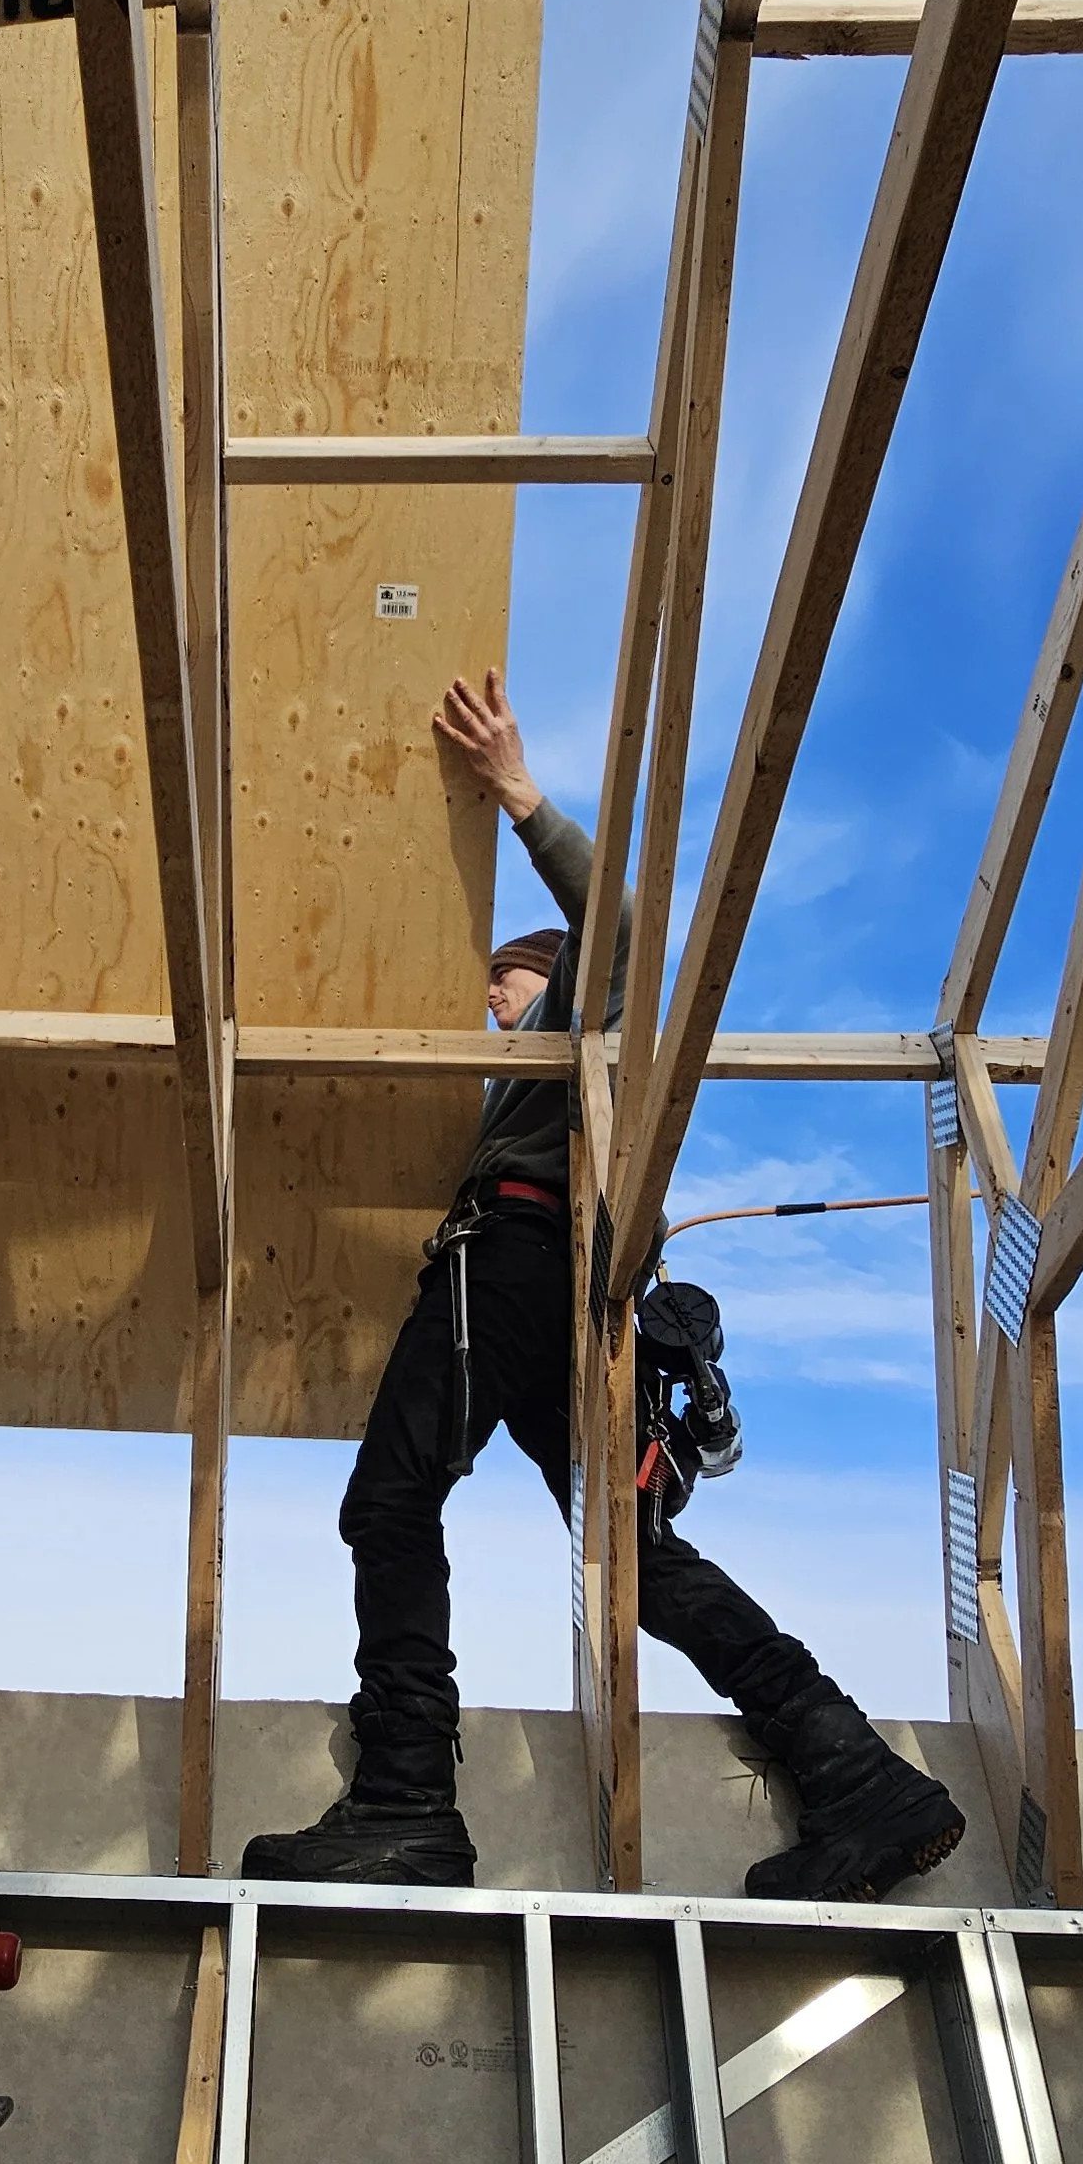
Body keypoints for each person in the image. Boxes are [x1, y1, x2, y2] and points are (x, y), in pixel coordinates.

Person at [242, 671, 965, 1903]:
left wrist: (519, 797)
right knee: (633, 1554)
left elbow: (619, 933)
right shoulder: (529, 1099)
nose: (486, 1007)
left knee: (388, 1502)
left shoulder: (575, 1025)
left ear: (552, 982)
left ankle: (406, 1798)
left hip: (512, 1260)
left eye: (502, 988)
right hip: (566, 1299)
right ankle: (857, 1775)